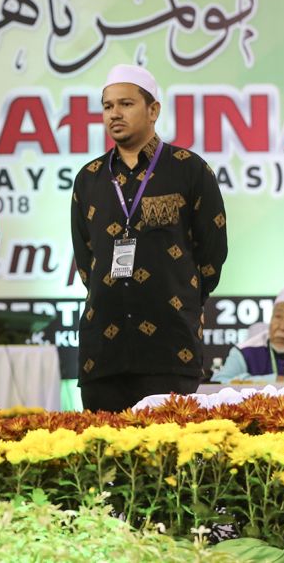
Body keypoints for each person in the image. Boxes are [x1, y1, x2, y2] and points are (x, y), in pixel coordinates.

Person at [70, 64, 228, 412]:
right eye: (108, 106)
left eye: (125, 104)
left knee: (171, 459)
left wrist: (184, 299)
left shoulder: (189, 169)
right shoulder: (89, 179)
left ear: (153, 110)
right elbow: (86, 262)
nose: (115, 114)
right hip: (103, 356)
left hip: (169, 348)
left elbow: (212, 253)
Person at [212, 287, 284, 383]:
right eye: (278, 316)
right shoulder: (246, 350)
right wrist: (273, 381)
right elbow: (218, 382)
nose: (282, 327)